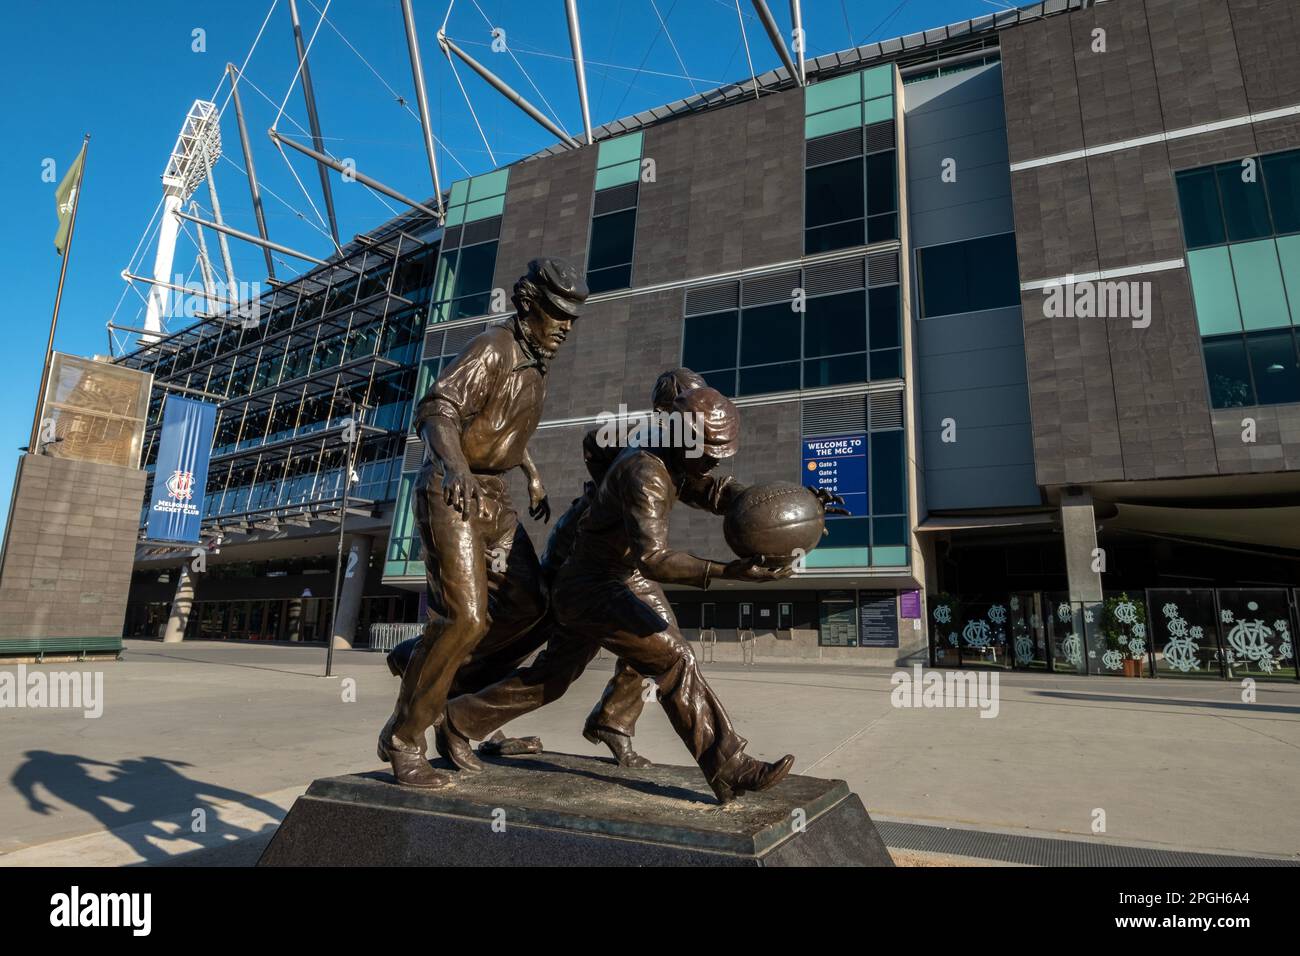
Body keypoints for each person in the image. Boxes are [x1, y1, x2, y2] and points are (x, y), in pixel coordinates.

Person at [439, 387, 811, 803]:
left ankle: (457, 719)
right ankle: (728, 766)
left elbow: (711, 491)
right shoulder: (646, 473)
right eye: (708, 452)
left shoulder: (672, 454)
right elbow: (653, 559)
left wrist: (796, 506)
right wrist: (728, 572)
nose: (714, 462)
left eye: (720, 454)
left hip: (606, 578)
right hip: (593, 587)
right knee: (674, 658)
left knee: (553, 678)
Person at [385, 367, 711, 769]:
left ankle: (614, 720)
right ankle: (428, 671)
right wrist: (609, 489)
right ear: (666, 409)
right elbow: (592, 441)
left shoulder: (681, 446)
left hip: (623, 559)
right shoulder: (640, 436)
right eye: (686, 406)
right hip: (583, 551)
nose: (696, 414)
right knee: (537, 646)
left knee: (654, 638)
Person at [377, 256, 587, 789]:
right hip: (453, 490)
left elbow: (503, 432)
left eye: (572, 317)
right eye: (557, 314)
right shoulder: (495, 349)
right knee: (464, 619)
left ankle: (449, 694)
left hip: (495, 496)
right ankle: (404, 737)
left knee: (534, 607)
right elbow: (437, 410)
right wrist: (454, 468)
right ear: (528, 306)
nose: (566, 326)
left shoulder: (536, 365)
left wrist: (532, 472)